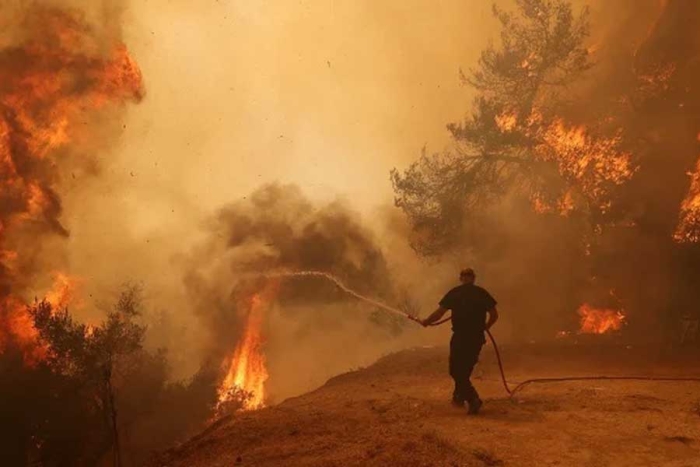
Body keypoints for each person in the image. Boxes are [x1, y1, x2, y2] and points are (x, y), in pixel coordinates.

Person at [419, 268, 498, 414]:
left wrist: (426, 321)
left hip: (461, 337)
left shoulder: (455, 293)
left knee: (456, 370)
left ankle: (473, 398)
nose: (466, 279)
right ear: (472, 278)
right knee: (465, 369)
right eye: (466, 276)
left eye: (466, 277)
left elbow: (439, 313)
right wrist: (485, 327)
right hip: (476, 337)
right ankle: (459, 397)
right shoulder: (481, 293)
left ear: (462, 278)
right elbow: (494, 314)